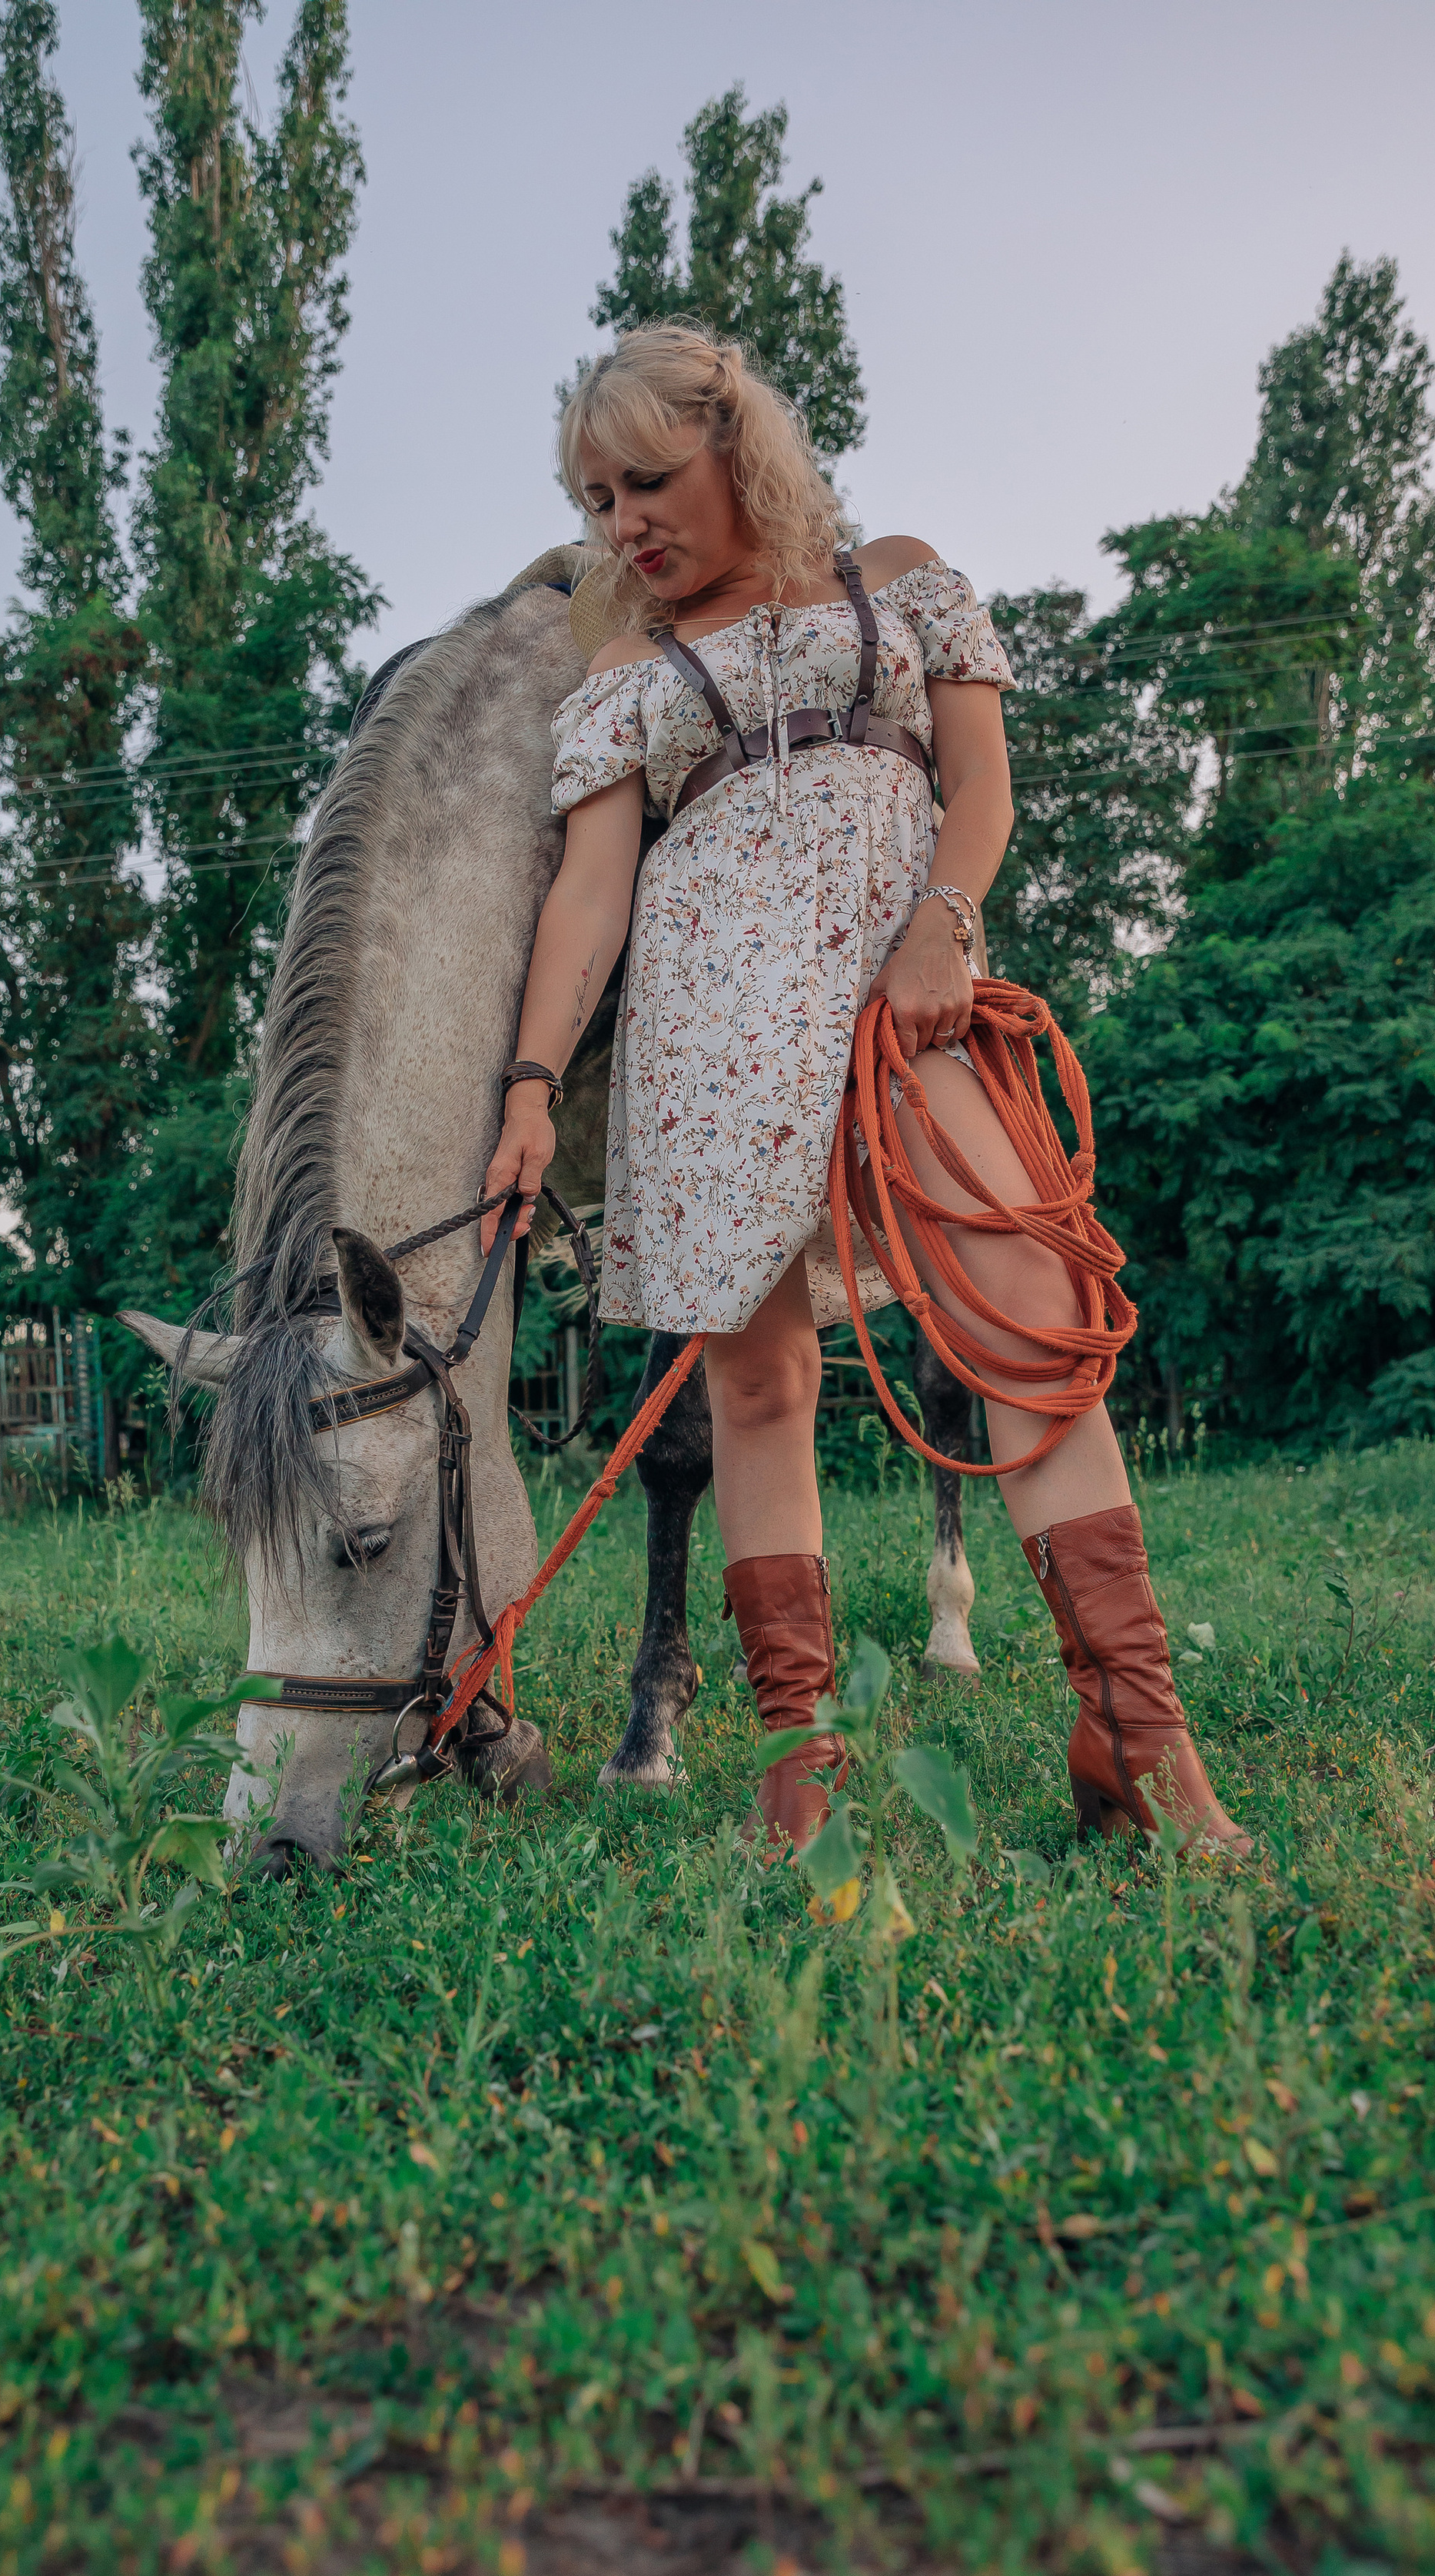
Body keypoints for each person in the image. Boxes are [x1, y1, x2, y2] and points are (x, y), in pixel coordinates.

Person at [483, 321, 1247, 1859]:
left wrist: (939, 924)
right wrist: (528, 1088)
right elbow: (586, 899)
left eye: (644, 480)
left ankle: (1137, 1739)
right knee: (754, 1387)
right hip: (706, 1037)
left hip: (903, 1004)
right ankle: (796, 1767)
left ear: (730, 441)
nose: (622, 524)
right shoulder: (625, 666)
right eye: (594, 499)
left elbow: (980, 788)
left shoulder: (889, 576)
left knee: (1032, 1314)